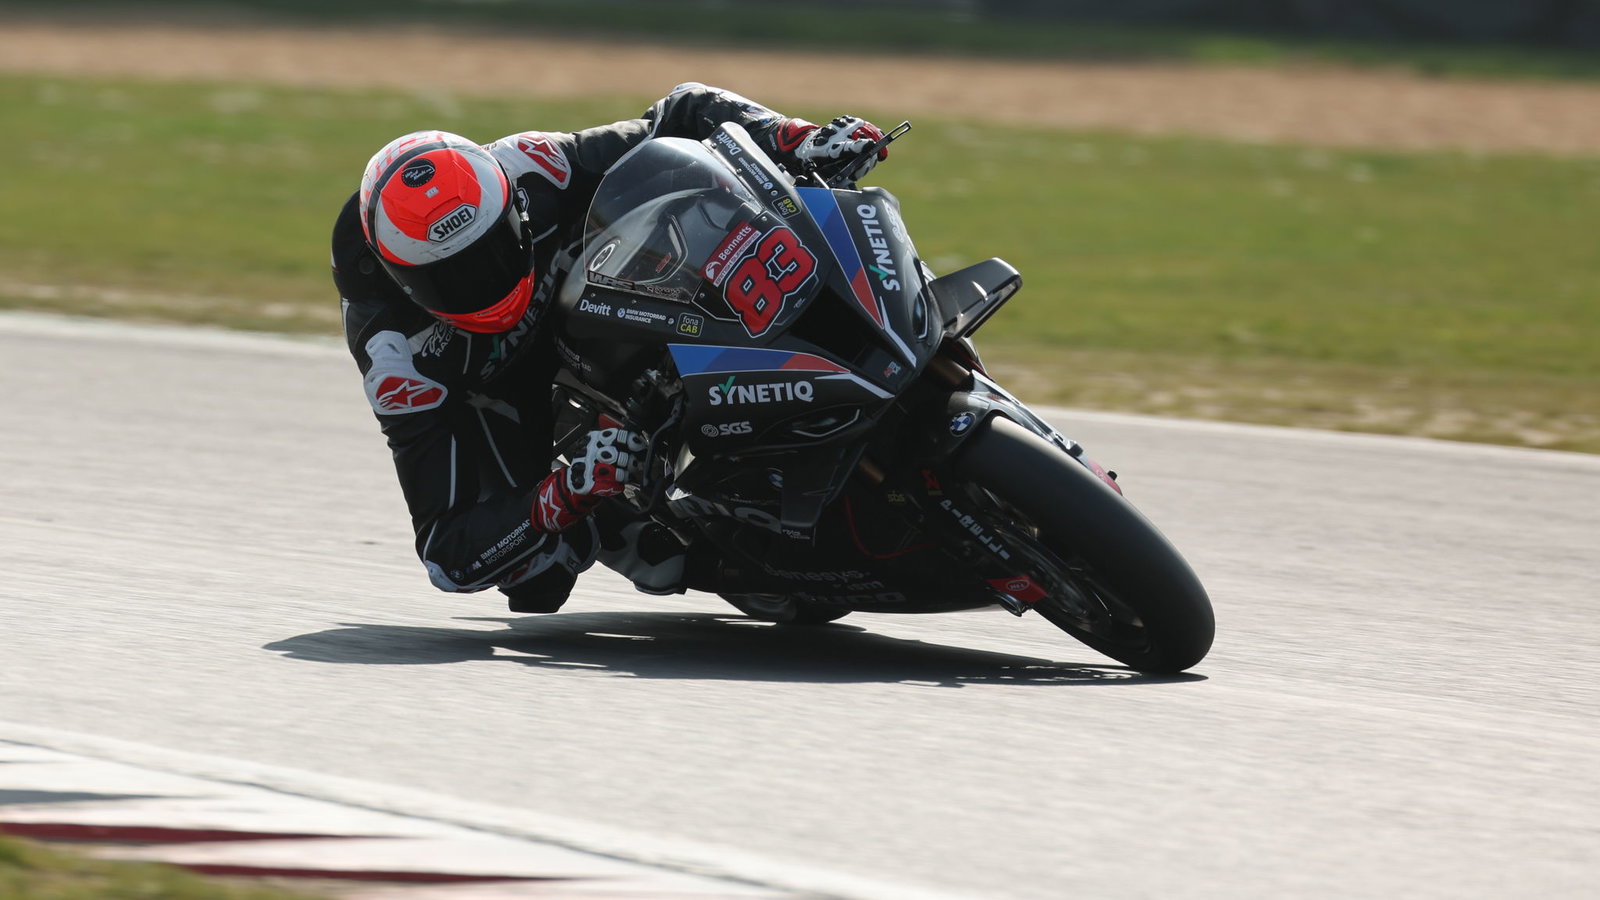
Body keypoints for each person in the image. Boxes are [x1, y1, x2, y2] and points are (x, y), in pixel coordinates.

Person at [331, 83, 890, 613]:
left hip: (601, 298)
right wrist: (562, 494)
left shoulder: (531, 166)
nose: (485, 282)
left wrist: (793, 137)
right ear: (402, 280)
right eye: (451, 279)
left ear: (512, 206)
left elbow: (679, 114)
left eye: (495, 249)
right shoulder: (396, 359)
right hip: (500, 391)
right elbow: (446, 551)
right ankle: (703, 551)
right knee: (540, 576)